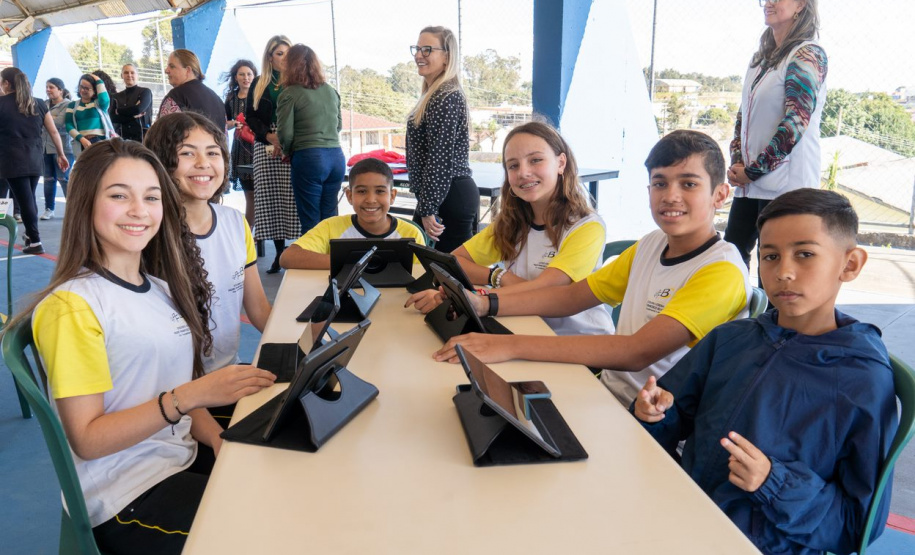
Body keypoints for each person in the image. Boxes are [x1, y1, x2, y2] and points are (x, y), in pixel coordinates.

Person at [4, 138, 275, 554]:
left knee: (282, 480)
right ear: (85, 204)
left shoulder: (161, 289)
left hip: (178, 456)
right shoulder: (72, 307)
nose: (139, 210)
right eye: (119, 196)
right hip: (125, 494)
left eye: (151, 197)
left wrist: (219, 439)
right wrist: (188, 396)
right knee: (270, 531)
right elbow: (88, 439)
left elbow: (178, 392)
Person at [633, 188, 897, 555]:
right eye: (770, 256)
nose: (783, 272)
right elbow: (670, 418)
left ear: (849, 264)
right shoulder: (730, 339)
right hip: (681, 517)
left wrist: (773, 483)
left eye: (805, 254)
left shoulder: (863, 380)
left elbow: (857, 526)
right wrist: (653, 413)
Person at [434, 130, 750, 406]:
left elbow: (636, 352)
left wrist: (508, 345)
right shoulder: (652, 244)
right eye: (659, 183)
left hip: (660, 421)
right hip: (610, 394)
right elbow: (571, 297)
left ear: (720, 195)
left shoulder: (721, 270)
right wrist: (483, 303)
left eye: (689, 184)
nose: (671, 196)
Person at [405, 121, 614, 338]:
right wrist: (498, 276)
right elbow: (452, 263)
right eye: (513, 166)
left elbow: (547, 290)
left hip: (576, 340)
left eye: (535, 160)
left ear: (561, 163)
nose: (523, 172)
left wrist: (474, 297)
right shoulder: (510, 223)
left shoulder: (587, 227)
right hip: (522, 329)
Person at [145, 112, 272, 379]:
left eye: (213, 153)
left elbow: (259, 309)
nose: (203, 163)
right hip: (173, 388)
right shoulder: (147, 234)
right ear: (160, 162)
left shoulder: (235, 222)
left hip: (228, 374)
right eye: (187, 153)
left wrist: (310, 339)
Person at [724, 0, 826, 267]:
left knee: (776, 266)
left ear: (801, 4)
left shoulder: (807, 54)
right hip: (750, 183)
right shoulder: (760, 59)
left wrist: (754, 170)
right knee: (731, 258)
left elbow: (796, 120)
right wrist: (737, 161)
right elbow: (743, 115)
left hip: (786, 186)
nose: (768, 2)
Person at [406, 26, 478, 253]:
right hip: (443, 194)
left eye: (427, 49)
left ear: (447, 57)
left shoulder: (445, 96)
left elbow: (440, 157)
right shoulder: (435, 94)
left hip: (448, 195)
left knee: (446, 269)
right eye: (417, 49)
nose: (419, 55)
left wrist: (428, 208)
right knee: (430, 266)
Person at [280, 158, 425, 269]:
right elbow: (288, 257)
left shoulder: (411, 234)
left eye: (380, 191)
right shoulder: (330, 227)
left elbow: (423, 275)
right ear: (349, 196)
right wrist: (356, 264)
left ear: (392, 196)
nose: (371, 200)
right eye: (362, 191)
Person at [276, 44, 345, 235]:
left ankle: (312, 255)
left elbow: (285, 133)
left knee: (311, 222)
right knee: (330, 220)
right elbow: (338, 126)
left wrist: (287, 151)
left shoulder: (289, 93)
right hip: (336, 158)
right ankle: (333, 254)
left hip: (309, 158)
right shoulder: (330, 91)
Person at [0, 67, 69, 255]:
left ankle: (36, 241)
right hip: (35, 157)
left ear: (6, 83)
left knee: (26, 201)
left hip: (12, 159)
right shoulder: (38, 103)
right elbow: (53, 131)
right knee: (28, 198)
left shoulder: (2, 104)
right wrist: (61, 154)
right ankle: (31, 236)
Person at [246, 36, 300, 274]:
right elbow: (250, 115)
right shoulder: (260, 83)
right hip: (265, 144)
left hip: (293, 144)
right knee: (270, 199)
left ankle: (297, 251)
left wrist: (286, 138)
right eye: (279, 53)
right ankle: (279, 252)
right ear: (270, 57)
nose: (284, 58)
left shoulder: (298, 81)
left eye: (288, 53)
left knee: (293, 198)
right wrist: (268, 135)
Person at [222, 59, 258, 226]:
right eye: (242, 74)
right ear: (236, 77)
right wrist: (234, 123)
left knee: (261, 194)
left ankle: (256, 231)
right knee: (249, 193)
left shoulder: (259, 96)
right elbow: (224, 123)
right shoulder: (231, 99)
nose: (246, 78)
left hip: (259, 146)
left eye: (249, 74)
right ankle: (249, 232)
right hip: (241, 149)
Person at [159, 49, 226, 130]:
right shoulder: (217, 99)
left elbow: (164, 132)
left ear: (187, 70)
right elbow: (224, 133)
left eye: (172, 66)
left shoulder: (176, 96)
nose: (166, 70)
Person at [40, 77, 74, 220]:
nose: (48, 90)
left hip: (63, 149)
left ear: (60, 90)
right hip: (45, 148)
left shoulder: (68, 105)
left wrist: (44, 119)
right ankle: (49, 209)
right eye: (47, 87)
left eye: (51, 87)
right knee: (48, 179)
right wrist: (49, 118)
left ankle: (73, 210)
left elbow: (59, 123)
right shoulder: (44, 104)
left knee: (63, 178)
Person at [65, 73, 114, 156]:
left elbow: (104, 99)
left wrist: (98, 80)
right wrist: (81, 139)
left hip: (100, 141)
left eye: (87, 88)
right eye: (81, 87)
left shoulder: (99, 104)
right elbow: (69, 125)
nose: (83, 90)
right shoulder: (72, 105)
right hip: (82, 142)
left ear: (95, 90)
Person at [110, 63, 152, 142]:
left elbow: (138, 109)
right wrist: (133, 116)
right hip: (123, 138)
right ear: (122, 76)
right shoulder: (116, 97)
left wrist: (118, 110)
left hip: (143, 138)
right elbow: (113, 118)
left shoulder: (145, 92)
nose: (129, 75)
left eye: (132, 72)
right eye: (126, 73)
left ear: (137, 75)